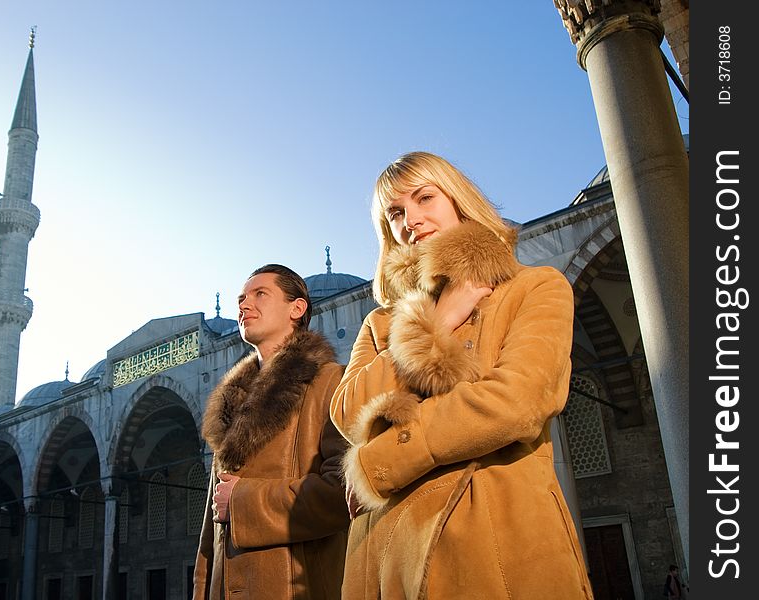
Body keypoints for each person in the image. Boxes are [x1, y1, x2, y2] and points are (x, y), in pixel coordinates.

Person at [331, 151, 594, 599]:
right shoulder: (380, 323)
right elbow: (347, 411)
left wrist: (380, 464)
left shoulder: (535, 287)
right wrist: (434, 321)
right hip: (388, 550)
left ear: (457, 199)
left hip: (494, 540)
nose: (410, 220)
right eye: (395, 213)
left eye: (424, 198)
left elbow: (515, 404)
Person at [193, 264, 350, 600]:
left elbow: (344, 494)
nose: (244, 305)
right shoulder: (230, 407)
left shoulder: (330, 382)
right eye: (241, 299)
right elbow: (211, 534)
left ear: (297, 308)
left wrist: (243, 501)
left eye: (260, 294)